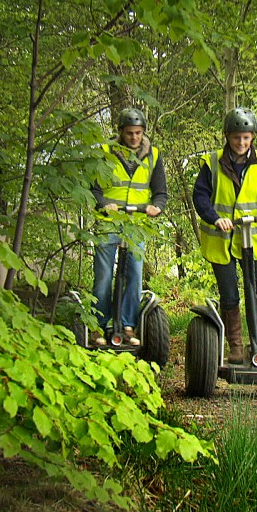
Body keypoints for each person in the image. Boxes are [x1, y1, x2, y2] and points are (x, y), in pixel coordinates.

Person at [193, 107, 257, 366]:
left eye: (246, 137)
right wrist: (215, 217)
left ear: (253, 137)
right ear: (227, 136)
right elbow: (200, 197)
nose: (241, 142)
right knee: (229, 293)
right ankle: (236, 346)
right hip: (221, 240)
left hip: (253, 240)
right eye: (237, 137)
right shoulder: (211, 163)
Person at [89, 107, 167, 346]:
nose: (134, 137)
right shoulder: (104, 153)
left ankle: (128, 325)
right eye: (130, 133)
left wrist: (156, 206)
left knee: (134, 273)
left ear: (144, 132)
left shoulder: (153, 155)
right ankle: (98, 326)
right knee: (103, 276)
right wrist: (104, 204)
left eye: (138, 133)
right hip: (109, 223)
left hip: (136, 225)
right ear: (121, 132)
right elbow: (93, 190)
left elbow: (160, 192)